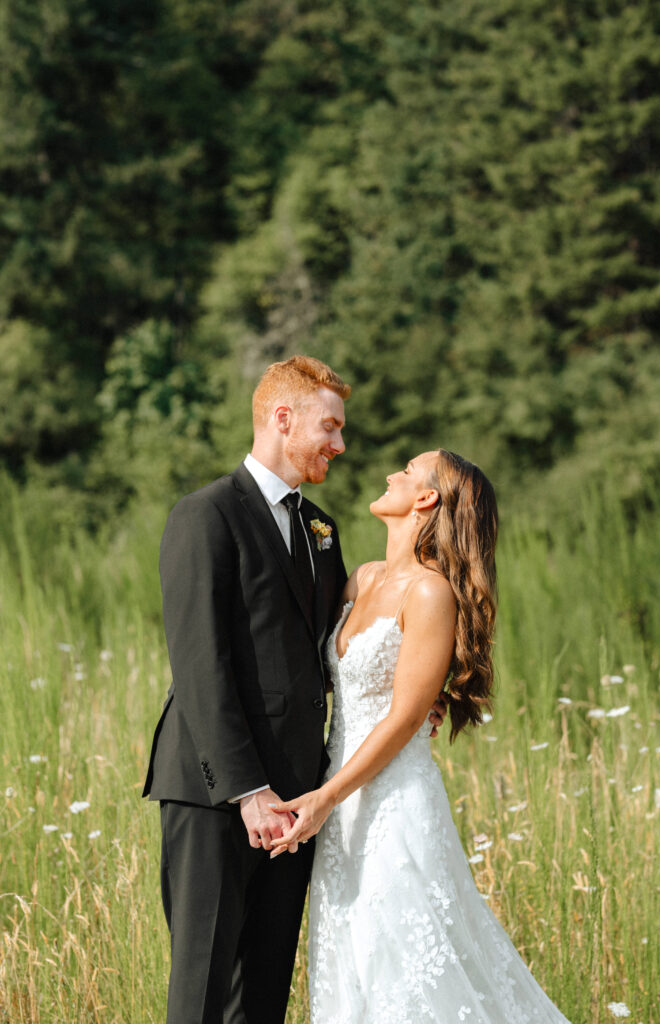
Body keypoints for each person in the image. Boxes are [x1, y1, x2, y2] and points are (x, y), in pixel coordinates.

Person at [269, 449, 573, 1023]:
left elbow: (405, 717)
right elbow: (338, 684)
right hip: (340, 809)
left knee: (400, 962)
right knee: (350, 961)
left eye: (407, 471)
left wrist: (323, 798)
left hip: (389, 805)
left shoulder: (430, 594)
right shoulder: (361, 578)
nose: (392, 475)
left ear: (427, 498)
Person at [142, 355, 351, 1024]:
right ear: (282, 419)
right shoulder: (205, 515)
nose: (340, 446)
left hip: (296, 800)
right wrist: (248, 790)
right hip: (215, 791)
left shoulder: (321, 527)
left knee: (261, 999)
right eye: (331, 428)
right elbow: (200, 662)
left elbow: (333, 649)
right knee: (202, 994)